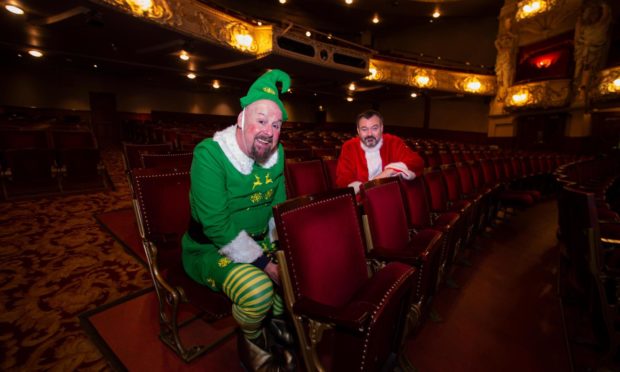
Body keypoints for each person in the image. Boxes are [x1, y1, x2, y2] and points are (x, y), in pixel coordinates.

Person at [182, 69, 294, 371]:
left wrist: (284, 252)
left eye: (276, 124)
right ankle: (252, 337)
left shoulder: (277, 153)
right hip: (210, 248)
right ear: (241, 120)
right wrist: (265, 265)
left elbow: (279, 207)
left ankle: (277, 325)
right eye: (261, 120)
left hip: (259, 242)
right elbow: (215, 224)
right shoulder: (210, 154)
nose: (269, 131)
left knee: (295, 275)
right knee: (259, 290)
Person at [336, 109, 424, 193]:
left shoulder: (393, 142)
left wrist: (389, 171)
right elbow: (343, 179)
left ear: (381, 128)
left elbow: (417, 162)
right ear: (358, 131)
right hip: (362, 198)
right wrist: (367, 188)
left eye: (374, 128)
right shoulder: (349, 147)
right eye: (364, 129)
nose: (369, 134)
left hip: (390, 194)